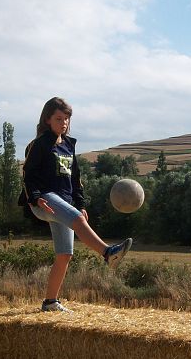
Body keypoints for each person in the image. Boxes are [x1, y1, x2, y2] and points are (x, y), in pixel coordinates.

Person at [20, 96, 133, 312]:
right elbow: (28, 175)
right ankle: (108, 254)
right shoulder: (39, 144)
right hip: (45, 200)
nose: (64, 123)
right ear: (47, 120)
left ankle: (50, 302)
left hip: (64, 201)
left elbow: (76, 180)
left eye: (67, 119)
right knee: (79, 222)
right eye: (59, 118)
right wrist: (35, 198)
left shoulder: (69, 146)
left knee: (65, 254)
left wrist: (80, 203)